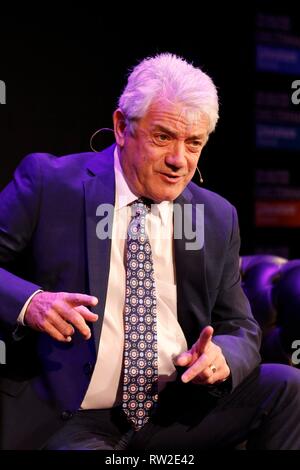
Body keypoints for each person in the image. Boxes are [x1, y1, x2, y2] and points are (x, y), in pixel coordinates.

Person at [0, 52, 300, 451]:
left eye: (194, 143)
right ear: (122, 126)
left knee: (287, 387)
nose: (179, 160)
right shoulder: (50, 184)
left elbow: (240, 327)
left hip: (174, 411)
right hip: (71, 413)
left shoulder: (214, 215)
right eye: (163, 137)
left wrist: (221, 358)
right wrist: (30, 303)